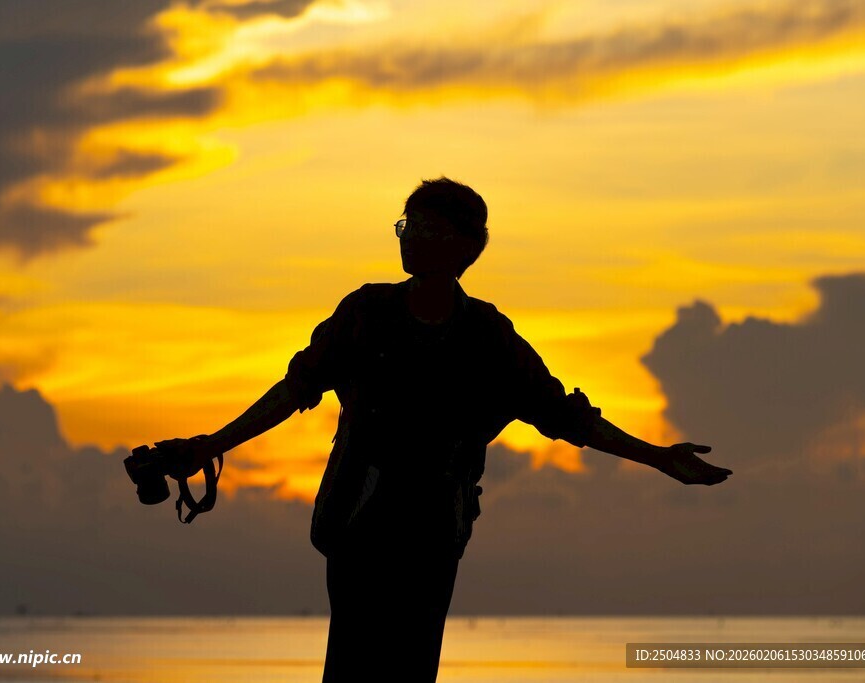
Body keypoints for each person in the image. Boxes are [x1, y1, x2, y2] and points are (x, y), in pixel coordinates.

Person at [151, 177, 732, 682]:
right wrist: (208, 447)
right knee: (351, 665)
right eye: (407, 224)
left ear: (463, 246)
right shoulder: (366, 312)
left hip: (433, 529)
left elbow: (563, 416)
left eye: (426, 227)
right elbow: (292, 392)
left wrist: (657, 456)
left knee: (413, 670)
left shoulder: (485, 333)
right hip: (358, 520)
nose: (409, 236)